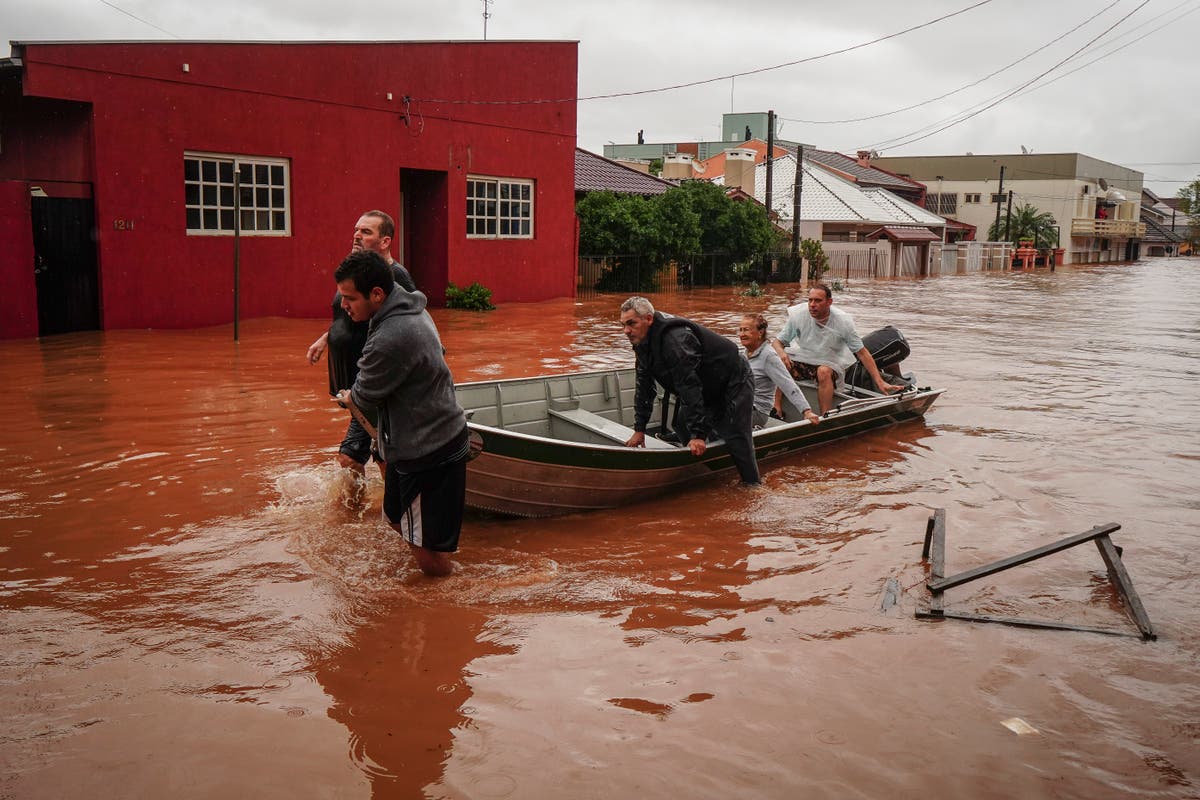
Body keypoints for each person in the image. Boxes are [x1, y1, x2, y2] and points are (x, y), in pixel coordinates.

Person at [332, 250, 469, 577]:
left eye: (350, 298)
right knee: (395, 518)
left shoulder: (392, 335)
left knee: (425, 551)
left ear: (377, 294)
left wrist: (351, 394)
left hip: (428, 450)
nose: (343, 305)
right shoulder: (409, 307)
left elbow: (363, 396)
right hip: (412, 441)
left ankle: (446, 599)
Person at [307, 211, 416, 473]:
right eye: (356, 229)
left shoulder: (395, 277)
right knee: (380, 449)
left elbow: (412, 322)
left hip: (374, 384)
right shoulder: (357, 272)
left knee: (349, 459)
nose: (357, 235)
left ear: (385, 241)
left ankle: (361, 512)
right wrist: (327, 338)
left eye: (366, 232)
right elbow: (348, 314)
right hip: (356, 382)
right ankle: (386, 505)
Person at [619, 296, 760, 485]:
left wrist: (699, 435)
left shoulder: (675, 340)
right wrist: (639, 429)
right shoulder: (641, 342)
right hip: (707, 384)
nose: (626, 331)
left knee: (736, 434)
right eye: (623, 325)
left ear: (649, 319)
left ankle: (752, 486)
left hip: (734, 379)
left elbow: (689, 385)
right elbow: (644, 387)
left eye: (631, 324)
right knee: (682, 423)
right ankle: (706, 473)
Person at [771, 283, 903, 414]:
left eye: (818, 301)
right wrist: (782, 353)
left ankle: (825, 416)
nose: (812, 304)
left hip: (830, 363)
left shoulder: (842, 322)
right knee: (781, 362)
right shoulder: (798, 316)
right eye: (810, 300)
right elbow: (777, 342)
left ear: (829, 302)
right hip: (804, 358)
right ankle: (776, 407)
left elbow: (862, 353)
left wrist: (879, 381)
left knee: (823, 371)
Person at [738, 313, 821, 428]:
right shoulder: (744, 354)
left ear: (760, 332)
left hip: (757, 412)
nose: (742, 334)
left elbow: (788, 384)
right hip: (741, 405)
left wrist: (806, 411)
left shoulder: (769, 356)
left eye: (746, 330)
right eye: (740, 330)